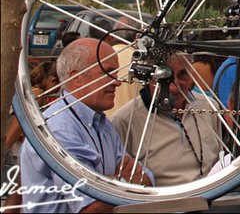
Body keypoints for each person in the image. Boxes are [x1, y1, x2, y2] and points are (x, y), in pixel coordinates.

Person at [18, 38, 151, 213]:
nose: (117, 82)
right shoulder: (59, 129)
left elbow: (146, 179)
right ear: (77, 78)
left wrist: (113, 184)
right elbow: (90, 207)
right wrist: (124, 181)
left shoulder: (103, 125)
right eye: (108, 73)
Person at [110, 53, 222, 186]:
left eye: (183, 74)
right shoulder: (124, 120)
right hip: (165, 203)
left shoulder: (209, 106)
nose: (174, 86)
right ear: (149, 78)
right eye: (164, 77)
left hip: (215, 197)